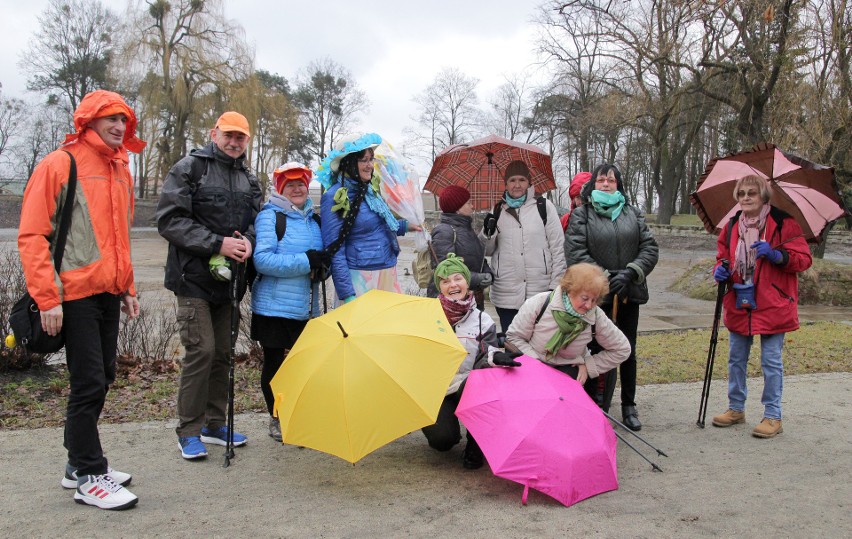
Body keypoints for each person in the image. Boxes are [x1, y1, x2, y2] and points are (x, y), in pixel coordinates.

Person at [18, 90, 145, 510]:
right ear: (88, 121)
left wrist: (126, 287)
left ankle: (78, 464)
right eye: (110, 119)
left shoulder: (120, 166)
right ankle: (89, 473)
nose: (118, 127)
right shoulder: (60, 163)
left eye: (123, 120)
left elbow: (120, 237)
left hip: (108, 291)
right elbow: (32, 235)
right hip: (71, 294)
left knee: (102, 376)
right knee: (88, 381)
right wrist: (47, 297)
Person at [157, 111, 263, 460]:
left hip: (230, 282)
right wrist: (218, 243)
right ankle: (188, 429)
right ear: (214, 134)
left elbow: (255, 222)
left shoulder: (249, 178)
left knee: (222, 355)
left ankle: (214, 423)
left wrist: (248, 241)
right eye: (228, 135)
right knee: (200, 352)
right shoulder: (189, 169)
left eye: (241, 137)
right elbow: (170, 221)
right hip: (193, 279)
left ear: (247, 141)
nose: (234, 142)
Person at [711, 175, 812, 438]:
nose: (746, 197)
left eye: (752, 193)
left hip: (773, 302)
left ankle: (772, 415)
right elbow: (722, 256)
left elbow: (803, 259)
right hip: (739, 299)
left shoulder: (784, 223)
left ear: (763, 195)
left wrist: (778, 255)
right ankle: (736, 408)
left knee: (771, 361)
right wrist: (719, 270)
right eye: (742, 193)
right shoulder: (732, 225)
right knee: (736, 359)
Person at [565, 163, 658, 430]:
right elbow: (576, 252)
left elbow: (649, 248)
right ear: (593, 184)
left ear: (619, 185)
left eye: (612, 180)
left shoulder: (632, 214)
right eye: (601, 180)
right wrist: (604, 278)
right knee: (594, 349)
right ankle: (595, 403)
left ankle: (628, 405)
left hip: (629, 292)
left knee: (627, 349)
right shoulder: (582, 215)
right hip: (594, 297)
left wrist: (630, 273)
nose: (606, 184)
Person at [250, 162, 328, 442]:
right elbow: (263, 260)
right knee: (275, 364)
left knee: (304, 366)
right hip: (274, 306)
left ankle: (299, 413)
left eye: (301, 184)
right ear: (280, 188)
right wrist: (306, 260)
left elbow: (320, 259)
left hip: (307, 307)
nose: (297, 189)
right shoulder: (271, 217)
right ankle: (277, 417)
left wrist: (322, 267)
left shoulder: (315, 221)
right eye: (290, 184)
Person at [422, 254, 520, 469]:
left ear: (467, 282)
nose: (453, 285)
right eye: (445, 281)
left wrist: (496, 357)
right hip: (437, 389)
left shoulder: (481, 319)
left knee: (482, 383)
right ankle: (447, 427)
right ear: (440, 287)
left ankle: (476, 442)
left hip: (467, 386)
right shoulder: (427, 317)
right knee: (442, 441)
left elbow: (486, 355)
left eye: (457, 278)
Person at [318, 133, 420, 304]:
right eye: (363, 160)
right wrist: (347, 294)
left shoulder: (370, 191)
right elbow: (334, 249)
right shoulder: (335, 197)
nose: (370, 166)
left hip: (386, 270)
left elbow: (378, 225)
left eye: (371, 159)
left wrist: (406, 226)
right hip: (360, 277)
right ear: (348, 163)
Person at [505, 263, 630, 394]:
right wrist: (536, 364)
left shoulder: (597, 316)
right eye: (585, 298)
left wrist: (589, 366)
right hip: (532, 365)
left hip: (569, 370)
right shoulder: (539, 303)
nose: (589, 305)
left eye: (594, 300)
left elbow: (622, 349)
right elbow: (514, 337)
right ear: (570, 290)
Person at [480, 160, 566, 332]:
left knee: (539, 346)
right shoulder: (496, 210)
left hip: (540, 292)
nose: (517, 185)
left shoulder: (544, 207)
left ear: (529, 182)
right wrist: (487, 232)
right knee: (512, 347)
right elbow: (486, 250)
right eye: (512, 180)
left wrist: (555, 286)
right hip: (507, 292)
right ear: (505, 184)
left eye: (521, 180)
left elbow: (558, 248)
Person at [426, 185, 492, 310]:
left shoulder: (468, 230)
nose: (472, 206)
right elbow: (445, 270)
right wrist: (478, 279)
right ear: (457, 208)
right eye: (468, 203)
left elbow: (478, 259)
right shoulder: (444, 231)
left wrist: (488, 273)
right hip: (451, 303)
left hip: (472, 299)